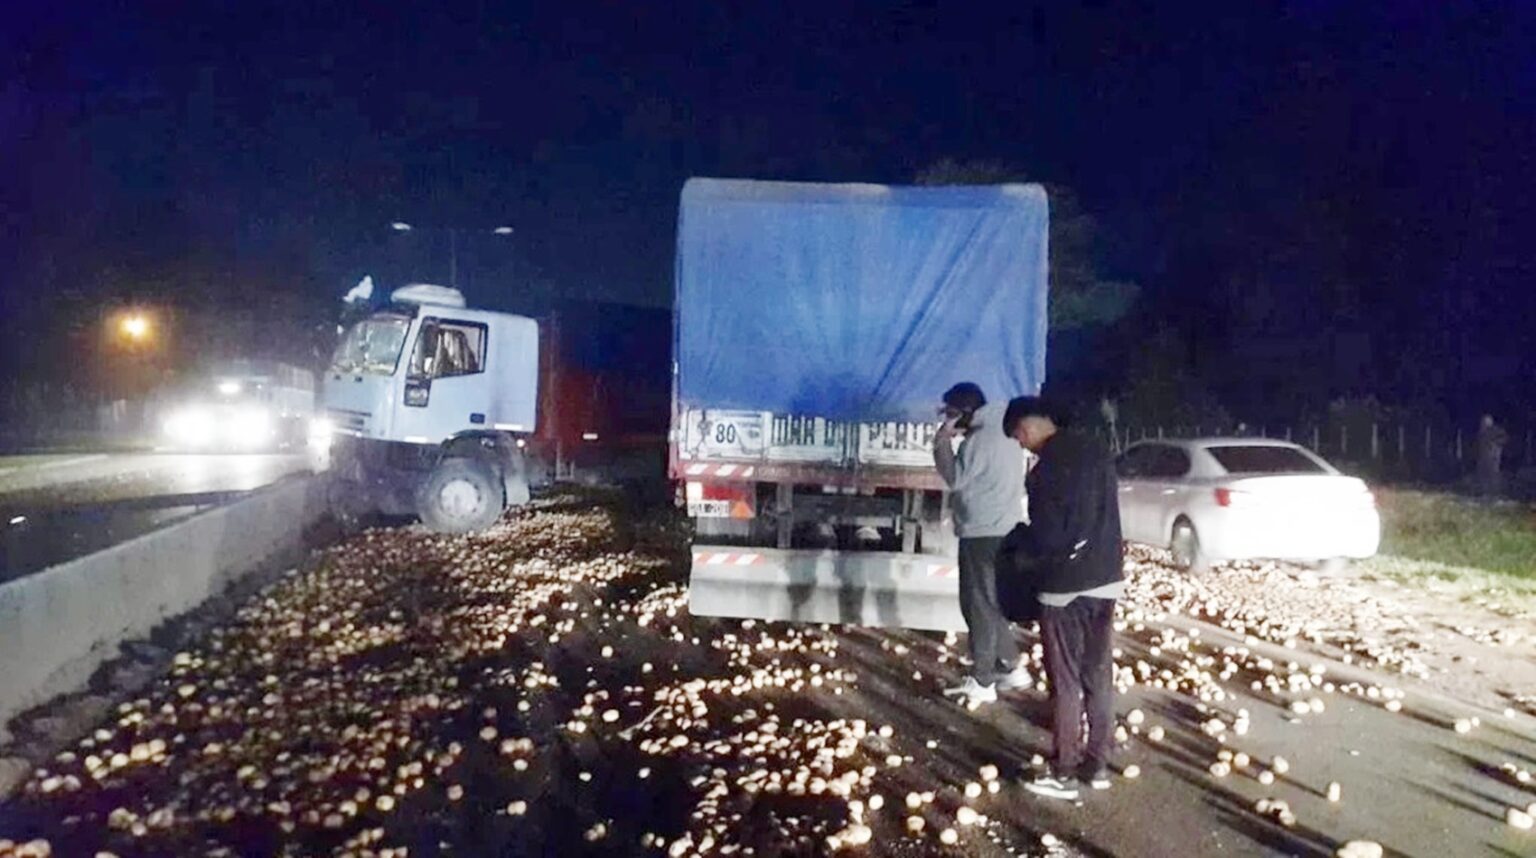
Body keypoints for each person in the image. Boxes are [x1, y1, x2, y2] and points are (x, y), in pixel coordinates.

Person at [1003, 396, 1124, 800]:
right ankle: (1098, 765)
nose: (1022, 444)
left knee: (1066, 680)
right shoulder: (1097, 451)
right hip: (1106, 580)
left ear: (1032, 424)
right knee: (1098, 673)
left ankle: (1065, 771)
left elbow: (1051, 536)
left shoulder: (1046, 470)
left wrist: (1023, 553)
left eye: (1019, 435)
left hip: (1064, 588)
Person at [933, 382, 1031, 705]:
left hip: (982, 533)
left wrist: (942, 441)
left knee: (977, 605)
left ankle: (983, 681)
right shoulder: (1002, 431)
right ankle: (1012, 666)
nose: (949, 420)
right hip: (1002, 529)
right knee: (991, 603)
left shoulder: (980, 439)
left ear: (966, 412)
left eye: (951, 414)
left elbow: (956, 478)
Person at [1476, 414, 1508, 497]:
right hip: (1483, 457)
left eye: (1485, 422)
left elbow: (1504, 438)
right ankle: (1485, 493)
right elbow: (1479, 445)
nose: (1483, 424)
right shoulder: (1481, 432)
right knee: (1483, 475)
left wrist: (1495, 443)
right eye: (1482, 422)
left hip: (1494, 457)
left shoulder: (1496, 430)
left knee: (1493, 474)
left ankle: (1495, 493)